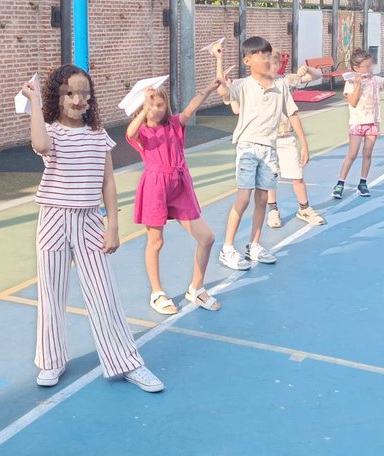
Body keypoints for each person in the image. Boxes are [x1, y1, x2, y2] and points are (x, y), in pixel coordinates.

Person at [19, 66, 163, 392]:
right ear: (58, 97)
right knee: (50, 292)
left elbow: (108, 182)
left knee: (103, 294)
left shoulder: (98, 135)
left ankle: (127, 362)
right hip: (53, 218)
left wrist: (112, 226)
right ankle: (51, 361)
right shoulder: (50, 131)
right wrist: (36, 104)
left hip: (88, 221)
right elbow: (40, 145)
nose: (78, 99)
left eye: (84, 93)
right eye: (69, 93)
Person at [126, 80, 224, 316]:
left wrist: (209, 88)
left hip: (180, 184)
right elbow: (129, 133)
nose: (157, 109)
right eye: (152, 105)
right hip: (155, 186)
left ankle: (196, 288)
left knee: (207, 238)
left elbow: (191, 107)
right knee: (156, 242)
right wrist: (144, 106)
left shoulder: (174, 124)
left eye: (160, 104)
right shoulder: (142, 132)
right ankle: (157, 292)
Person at [215, 36, 308, 270]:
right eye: (260, 55)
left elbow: (292, 113)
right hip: (248, 146)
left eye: (268, 55)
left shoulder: (281, 85)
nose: (266, 59)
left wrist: (304, 143)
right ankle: (227, 249)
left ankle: (254, 245)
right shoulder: (242, 85)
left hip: (270, 148)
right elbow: (223, 90)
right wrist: (218, 59)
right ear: (247, 60)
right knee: (244, 198)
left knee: (263, 199)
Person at [260, 56, 326, 229]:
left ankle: (304, 208)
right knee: (270, 177)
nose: (272, 67)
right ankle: (273, 210)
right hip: (266, 138)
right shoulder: (254, 85)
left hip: (286, 136)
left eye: (276, 64)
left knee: (297, 176)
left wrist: (308, 69)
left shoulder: (286, 80)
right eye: (269, 64)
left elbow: (317, 75)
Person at [332, 49, 384, 199]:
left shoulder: (375, 80)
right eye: (366, 66)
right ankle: (340, 183)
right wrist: (358, 85)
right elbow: (352, 103)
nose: (370, 69)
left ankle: (363, 183)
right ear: (356, 68)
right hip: (357, 123)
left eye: (371, 66)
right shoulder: (351, 82)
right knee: (352, 154)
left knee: (367, 153)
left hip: (373, 122)